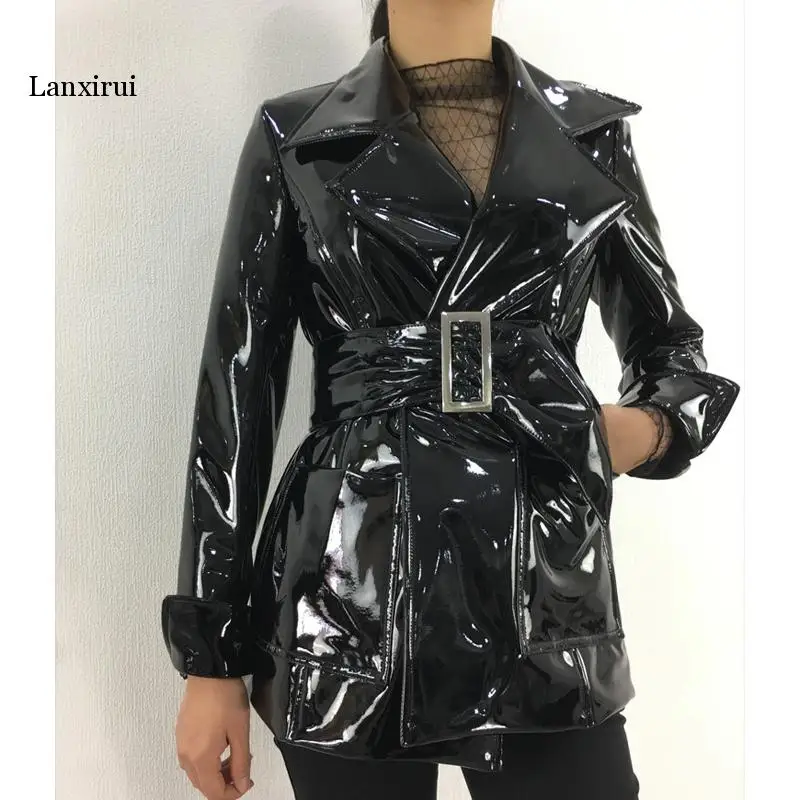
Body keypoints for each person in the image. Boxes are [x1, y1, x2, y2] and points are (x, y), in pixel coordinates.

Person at [161, 1, 741, 798]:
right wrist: (210, 660)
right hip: (352, 587)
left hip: (542, 582)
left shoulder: (589, 135)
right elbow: (234, 397)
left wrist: (627, 432)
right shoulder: (298, 135)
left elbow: (673, 353)